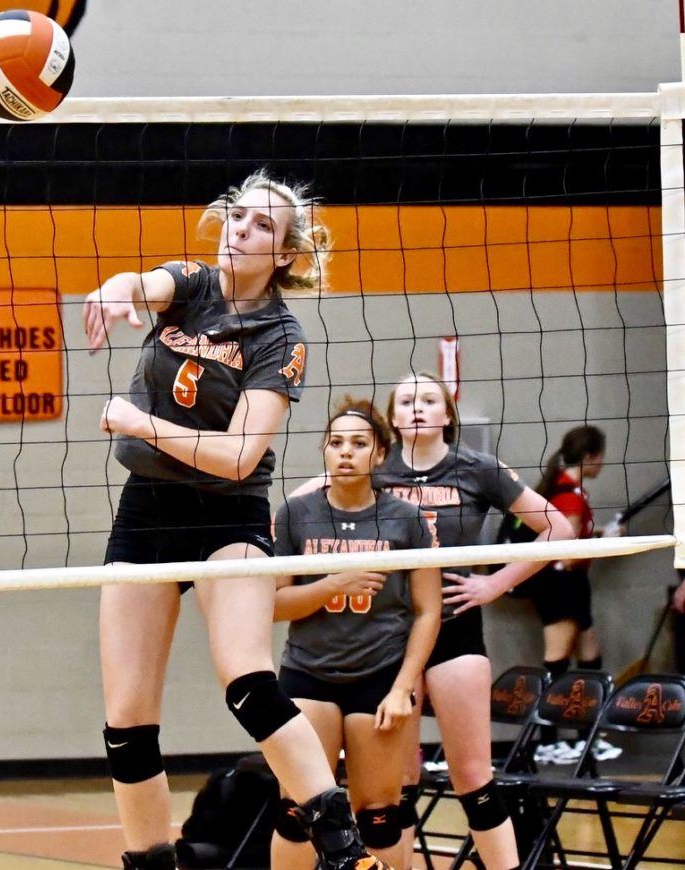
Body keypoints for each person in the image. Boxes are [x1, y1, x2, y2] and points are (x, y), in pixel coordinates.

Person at [83, 170, 388, 870]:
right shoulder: (190, 284)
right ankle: (152, 862)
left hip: (230, 514)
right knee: (126, 723)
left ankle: (345, 851)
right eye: (234, 217)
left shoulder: (281, 336)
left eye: (258, 226)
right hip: (147, 512)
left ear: (283, 254)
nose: (238, 231)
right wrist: (116, 288)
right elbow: (146, 281)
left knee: (247, 681)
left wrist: (141, 422)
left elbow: (239, 456)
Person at [287, 372, 574, 869]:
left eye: (428, 399)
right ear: (392, 419)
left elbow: (559, 526)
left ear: (447, 414)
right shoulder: (372, 464)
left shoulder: (480, 468)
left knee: (473, 779)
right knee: (394, 791)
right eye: (405, 400)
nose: (417, 407)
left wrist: (495, 583)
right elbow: (299, 508)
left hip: (455, 629)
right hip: (391, 639)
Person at [270, 397, 441, 870]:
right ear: (324, 451)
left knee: (379, 816)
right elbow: (274, 606)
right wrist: (332, 585)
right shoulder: (295, 515)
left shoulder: (405, 519)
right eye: (335, 442)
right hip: (308, 673)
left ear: (380, 454)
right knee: (297, 814)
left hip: (380, 676)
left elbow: (428, 611)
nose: (345, 452)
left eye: (359, 443)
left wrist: (404, 688)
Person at [516, 425, 622, 764]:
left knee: (590, 653)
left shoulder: (568, 488)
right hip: (560, 584)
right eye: (600, 455)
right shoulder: (569, 495)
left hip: (572, 586)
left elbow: (573, 536)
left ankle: (586, 735)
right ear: (590, 456)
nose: (603, 462)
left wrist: (603, 531)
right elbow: (566, 553)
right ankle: (548, 739)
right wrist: (605, 543)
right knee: (556, 661)